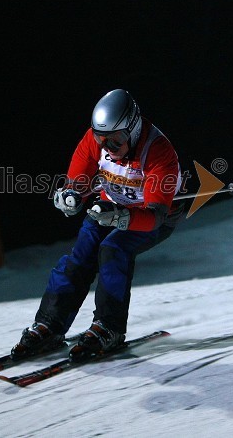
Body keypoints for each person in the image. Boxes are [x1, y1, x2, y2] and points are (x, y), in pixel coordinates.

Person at [11, 89, 184, 361]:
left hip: (152, 218)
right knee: (81, 254)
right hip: (108, 206)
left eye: (115, 142)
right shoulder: (98, 140)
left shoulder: (159, 152)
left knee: (113, 249)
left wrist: (120, 216)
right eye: (101, 140)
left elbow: (155, 216)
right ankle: (50, 324)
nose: (107, 149)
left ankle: (109, 327)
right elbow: (78, 179)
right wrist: (71, 196)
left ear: (134, 130)